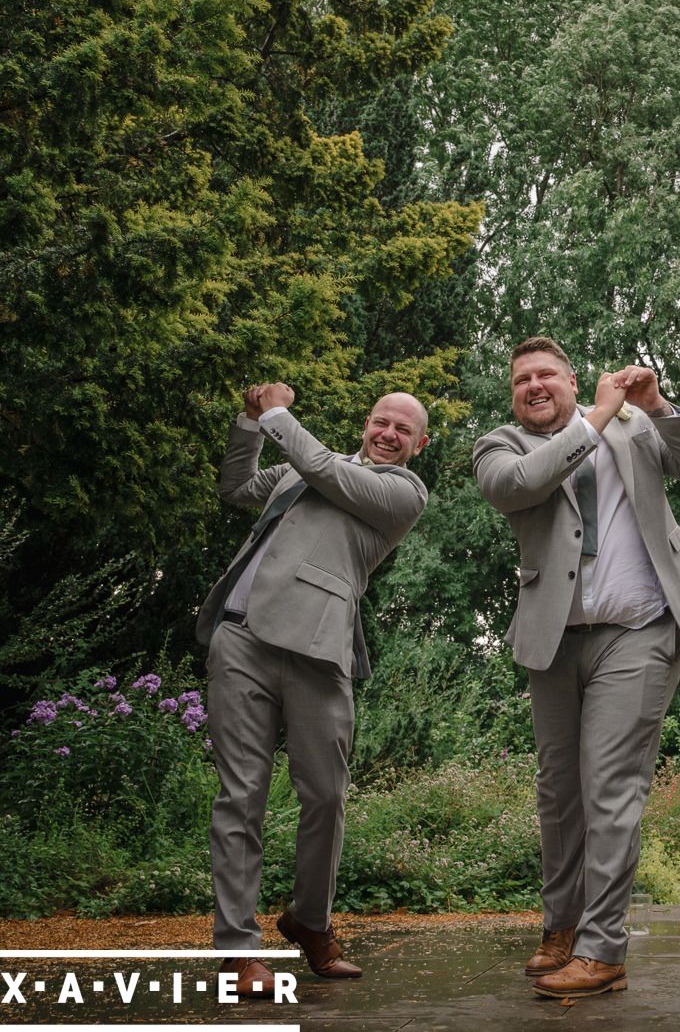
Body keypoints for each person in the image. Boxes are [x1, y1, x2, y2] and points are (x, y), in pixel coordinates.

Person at [472, 337, 680, 1000]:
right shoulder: (500, 444)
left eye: (547, 373)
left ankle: (604, 948)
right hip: (554, 640)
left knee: (610, 785)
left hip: (638, 630)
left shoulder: (634, 426)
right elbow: (518, 486)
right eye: (522, 378)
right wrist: (596, 419)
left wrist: (658, 403)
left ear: (573, 379)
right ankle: (562, 924)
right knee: (558, 792)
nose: (535, 384)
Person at [201, 383, 430, 998]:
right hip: (242, 639)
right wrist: (250, 424)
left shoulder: (403, 492)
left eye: (401, 430)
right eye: (381, 421)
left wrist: (279, 414)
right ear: (366, 422)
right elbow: (235, 489)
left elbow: (325, 468)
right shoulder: (294, 470)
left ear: (418, 444)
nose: (387, 434)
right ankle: (238, 949)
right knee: (241, 793)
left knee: (326, 795)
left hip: (320, 651)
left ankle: (310, 920)